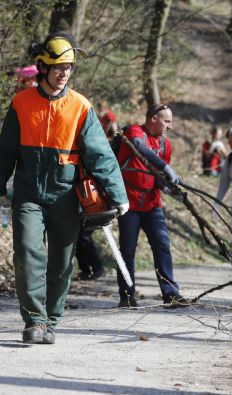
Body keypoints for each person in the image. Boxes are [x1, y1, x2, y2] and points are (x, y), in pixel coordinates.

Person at [0, 31, 128, 344]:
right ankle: (34, 320)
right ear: (42, 67)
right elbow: (4, 151)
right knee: (29, 254)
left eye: (68, 68)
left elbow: (100, 154)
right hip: (29, 194)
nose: (64, 74)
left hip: (66, 196)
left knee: (61, 261)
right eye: (58, 67)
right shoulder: (21, 103)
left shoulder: (81, 107)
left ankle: (51, 321)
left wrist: (118, 195)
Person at [115, 103, 188, 308]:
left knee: (162, 246)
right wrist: (166, 166)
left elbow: (158, 178)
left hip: (152, 205)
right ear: (153, 119)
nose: (169, 126)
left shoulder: (166, 145)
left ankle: (171, 294)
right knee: (127, 251)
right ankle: (127, 296)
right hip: (128, 205)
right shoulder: (134, 131)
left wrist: (171, 189)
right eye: (167, 121)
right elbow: (137, 146)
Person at [75, 106, 120, 280]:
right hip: (85, 192)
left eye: (108, 122)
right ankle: (87, 268)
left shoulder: (111, 143)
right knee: (79, 233)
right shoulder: (95, 138)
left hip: (97, 196)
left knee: (84, 233)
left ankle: (96, 267)